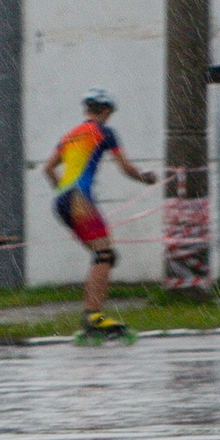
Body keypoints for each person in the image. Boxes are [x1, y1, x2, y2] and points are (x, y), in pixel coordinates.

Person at [43, 88, 156, 343]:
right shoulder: (104, 132)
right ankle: (93, 316)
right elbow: (125, 167)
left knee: (102, 255)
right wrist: (145, 177)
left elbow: (48, 168)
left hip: (62, 199)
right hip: (79, 199)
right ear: (105, 111)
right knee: (104, 255)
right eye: (110, 113)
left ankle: (92, 316)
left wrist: (63, 193)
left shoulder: (70, 135)